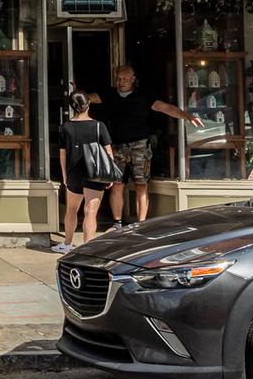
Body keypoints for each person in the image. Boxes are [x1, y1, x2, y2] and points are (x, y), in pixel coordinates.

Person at [87, 64, 200, 228]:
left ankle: (141, 224)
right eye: (118, 79)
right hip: (116, 146)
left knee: (141, 185)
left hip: (139, 145)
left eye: (125, 79)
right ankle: (117, 223)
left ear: (133, 79)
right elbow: (87, 99)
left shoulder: (143, 96)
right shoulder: (109, 94)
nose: (121, 82)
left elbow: (166, 108)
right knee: (116, 185)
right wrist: (75, 92)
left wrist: (187, 116)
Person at [54, 91, 111, 255]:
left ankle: (67, 244)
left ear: (72, 107)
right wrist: (109, 174)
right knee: (90, 212)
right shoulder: (99, 126)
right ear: (88, 104)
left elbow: (63, 154)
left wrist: (65, 175)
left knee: (71, 209)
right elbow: (108, 152)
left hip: (74, 173)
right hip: (95, 173)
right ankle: (88, 250)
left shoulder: (65, 127)